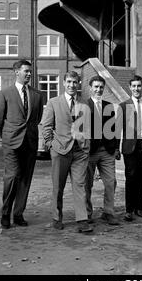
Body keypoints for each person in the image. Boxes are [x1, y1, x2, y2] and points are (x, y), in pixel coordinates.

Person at [0, 59, 43, 229]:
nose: (29, 74)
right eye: (26, 71)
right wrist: (6, 135)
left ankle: (18, 214)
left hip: (30, 142)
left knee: (25, 180)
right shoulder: (5, 93)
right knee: (12, 176)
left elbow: (37, 118)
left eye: (30, 71)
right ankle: (5, 213)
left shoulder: (37, 95)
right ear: (16, 72)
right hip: (11, 142)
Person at [41, 71, 93, 233]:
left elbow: (87, 128)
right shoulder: (53, 102)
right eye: (69, 82)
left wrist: (86, 146)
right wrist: (50, 144)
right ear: (63, 83)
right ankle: (57, 217)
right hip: (60, 151)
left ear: (78, 84)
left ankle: (82, 220)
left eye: (75, 82)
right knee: (58, 186)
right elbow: (46, 126)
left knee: (80, 185)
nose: (72, 85)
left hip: (80, 152)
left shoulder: (84, 104)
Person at [85, 75, 120, 225]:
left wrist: (116, 147)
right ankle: (86, 213)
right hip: (89, 152)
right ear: (90, 88)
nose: (98, 90)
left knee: (111, 182)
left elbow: (115, 129)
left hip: (107, 151)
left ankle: (108, 212)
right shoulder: (83, 105)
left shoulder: (109, 106)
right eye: (96, 87)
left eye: (101, 87)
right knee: (86, 183)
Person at [119, 75, 142, 221]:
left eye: (139, 86)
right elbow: (117, 129)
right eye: (134, 86)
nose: (136, 88)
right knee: (131, 177)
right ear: (130, 88)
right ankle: (129, 210)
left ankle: (139, 208)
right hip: (130, 146)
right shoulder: (123, 105)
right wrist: (116, 149)